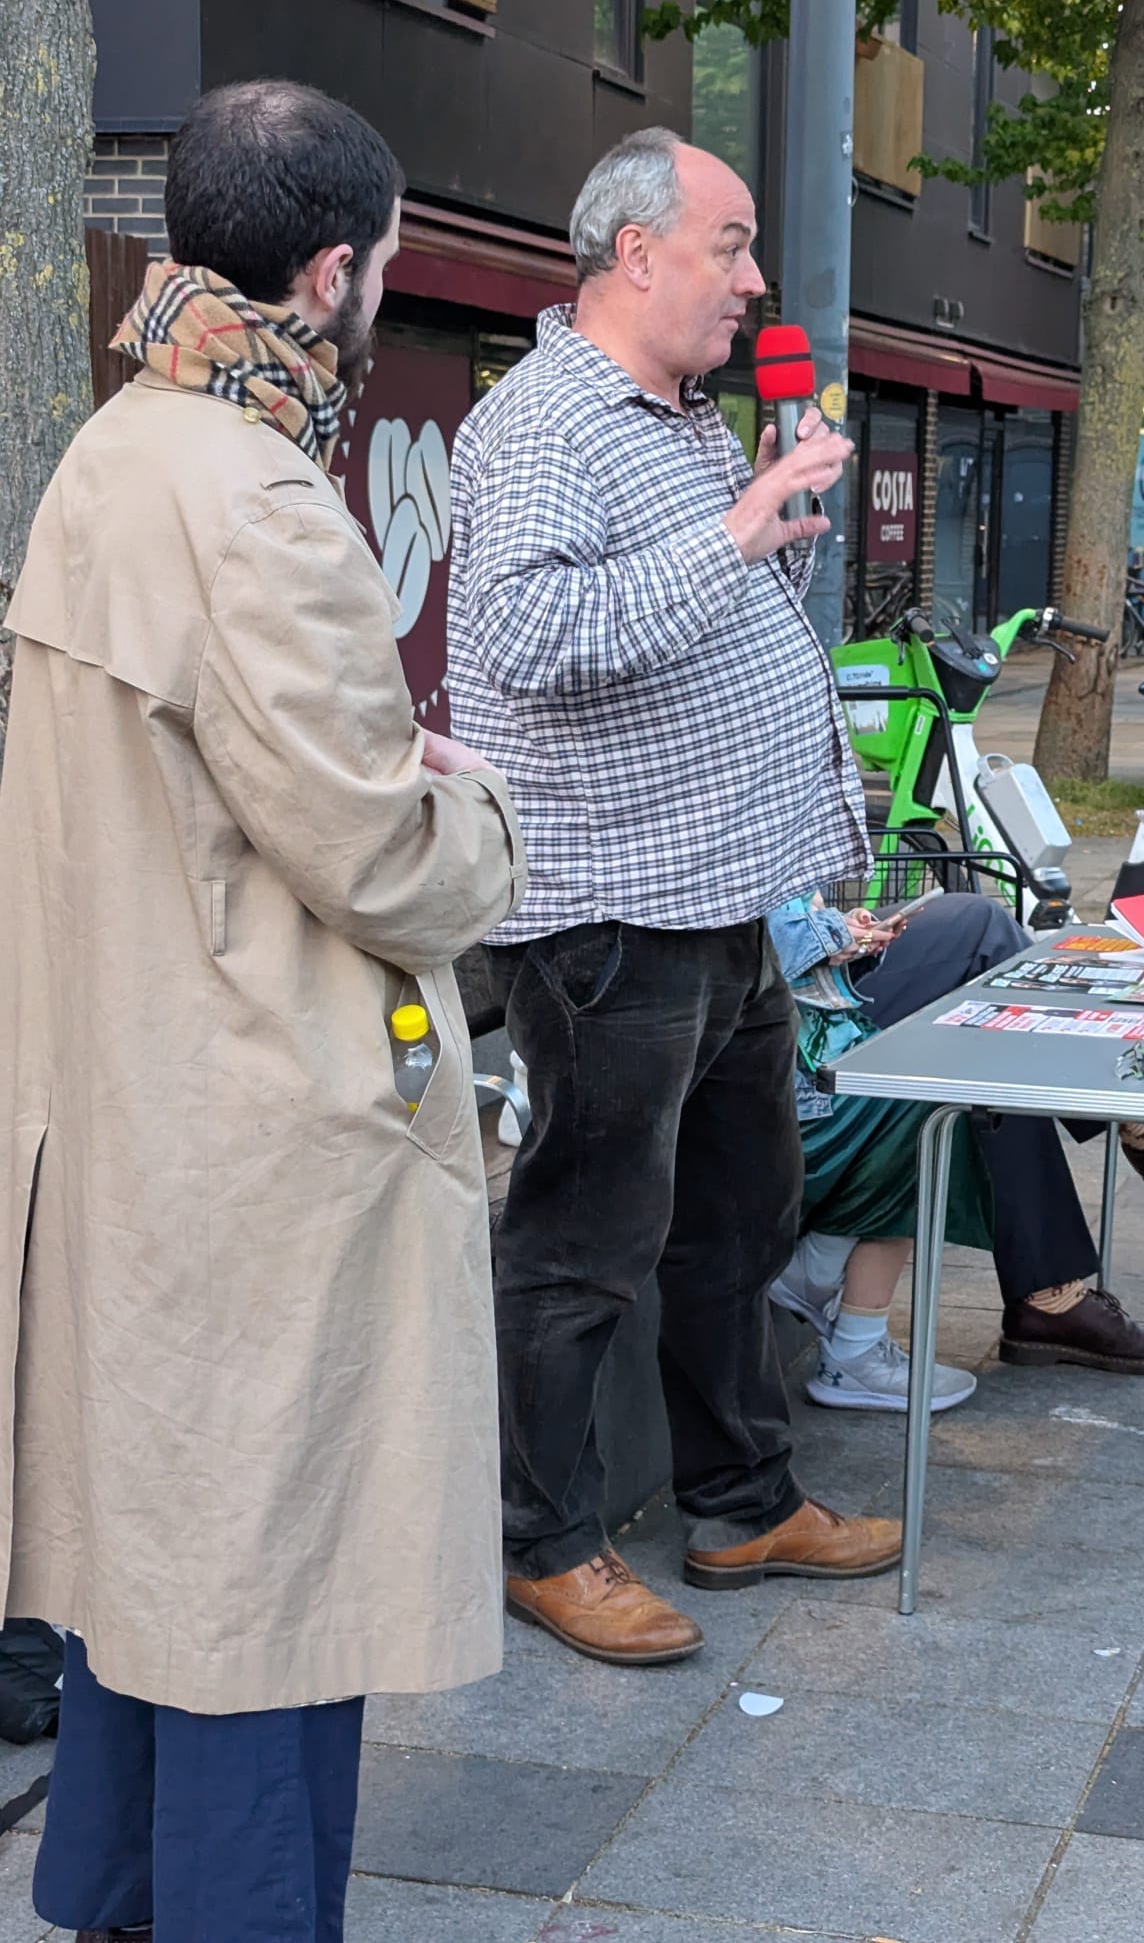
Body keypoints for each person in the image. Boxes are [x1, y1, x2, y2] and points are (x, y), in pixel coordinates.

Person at [0, 81, 526, 1943]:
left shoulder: (115, 448)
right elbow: (385, 862)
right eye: (385, 263)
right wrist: (475, 802)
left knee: (160, 1558)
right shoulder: (260, 499)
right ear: (331, 271)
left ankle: (123, 1895)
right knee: (268, 1590)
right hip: (261, 1131)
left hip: (130, 1099)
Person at [446, 127, 901, 1671]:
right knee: (584, 1242)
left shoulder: (688, 421)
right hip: (608, 915)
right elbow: (523, 637)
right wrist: (730, 534)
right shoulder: (539, 424)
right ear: (635, 254)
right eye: (731, 245)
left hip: (723, 900)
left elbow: (706, 621)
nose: (756, 279)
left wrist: (761, 525)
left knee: (737, 1219)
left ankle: (740, 1500)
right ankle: (547, 1542)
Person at [768, 891, 1144, 1407]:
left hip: (804, 971)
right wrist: (832, 934)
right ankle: (1141, 1142)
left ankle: (1056, 1283)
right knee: (983, 956)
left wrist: (842, 924)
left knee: (984, 933)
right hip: (772, 994)